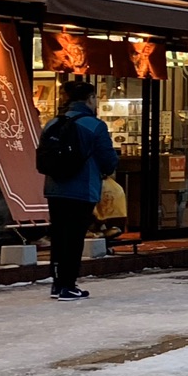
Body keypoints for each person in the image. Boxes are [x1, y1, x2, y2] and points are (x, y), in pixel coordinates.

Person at [38, 78, 118, 300]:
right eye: (95, 98)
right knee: (74, 238)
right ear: (90, 99)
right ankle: (68, 285)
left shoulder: (53, 123)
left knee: (59, 235)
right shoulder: (94, 125)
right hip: (82, 188)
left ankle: (57, 283)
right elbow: (108, 161)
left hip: (55, 188)